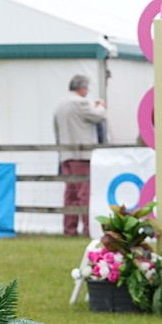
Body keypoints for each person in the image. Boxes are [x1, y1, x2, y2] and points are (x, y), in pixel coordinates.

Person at [53, 74, 107, 236]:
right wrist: (101, 105)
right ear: (82, 87)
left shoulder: (59, 104)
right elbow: (98, 115)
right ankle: (88, 228)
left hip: (65, 155)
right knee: (84, 192)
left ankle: (69, 229)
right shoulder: (79, 102)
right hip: (81, 154)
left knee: (70, 193)